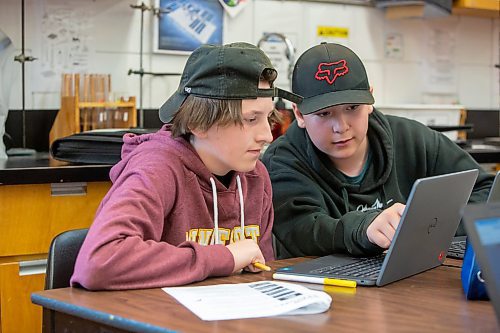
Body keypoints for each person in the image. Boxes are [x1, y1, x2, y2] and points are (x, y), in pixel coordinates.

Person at [71, 42, 302, 290]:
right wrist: (224, 258)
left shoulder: (255, 176)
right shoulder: (157, 169)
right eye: (250, 119)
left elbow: (260, 276)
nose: (267, 135)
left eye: (267, 118)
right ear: (198, 123)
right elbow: (98, 261)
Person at [262, 42, 495, 259]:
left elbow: (487, 191)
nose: (341, 127)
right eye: (324, 114)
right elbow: (304, 231)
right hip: (332, 293)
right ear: (299, 114)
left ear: (370, 99)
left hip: (416, 281)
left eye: (353, 108)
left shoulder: (413, 139)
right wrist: (365, 229)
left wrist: (429, 227)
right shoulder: (282, 162)